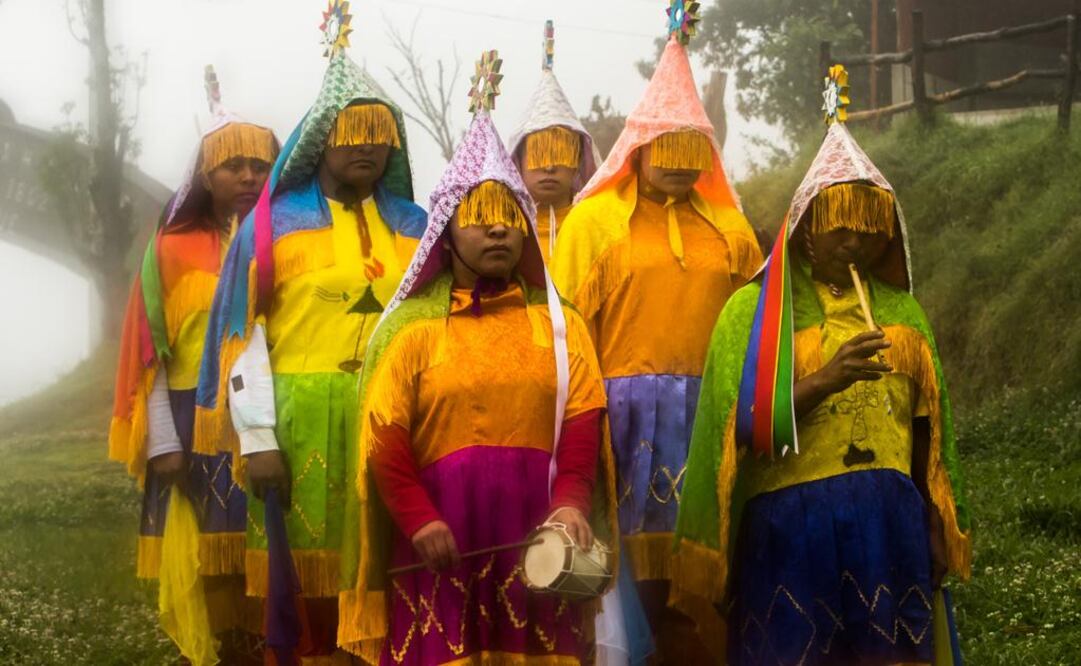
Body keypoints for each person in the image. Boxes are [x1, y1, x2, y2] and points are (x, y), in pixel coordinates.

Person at [672, 67, 972, 664]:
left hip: (890, 526)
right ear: (805, 226)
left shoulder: (903, 314)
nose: (854, 242)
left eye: (868, 227)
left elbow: (926, 433)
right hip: (790, 528)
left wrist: (934, 525)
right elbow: (740, 431)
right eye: (839, 224)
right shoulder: (751, 313)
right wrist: (825, 379)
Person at [336, 52, 618, 665]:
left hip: (536, 540)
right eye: (479, 221)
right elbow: (385, 439)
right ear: (446, 233)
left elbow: (582, 422)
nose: (498, 234)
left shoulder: (560, 326)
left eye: (508, 221)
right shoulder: (410, 331)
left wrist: (571, 499)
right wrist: (416, 517)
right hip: (439, 542)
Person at [193, 4, 427, 659]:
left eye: (377, 134)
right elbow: (243, 338)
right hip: (299, 420)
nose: (365, 146)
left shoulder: (416, 224)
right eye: (349, 133)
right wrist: (257, 436)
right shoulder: (271, 226)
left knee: (397, 565)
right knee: (310, 577)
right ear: (319, 140)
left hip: (398, 419)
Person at [550, 13, 762, 658]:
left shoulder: (731, 230)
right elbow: (566, 330)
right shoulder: (591, 224)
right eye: (664, 149)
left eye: (690, 150)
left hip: (708, 415)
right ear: (636, 148)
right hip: (618, 416)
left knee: (707, 562)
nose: (677, 164)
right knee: (623, 564)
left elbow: (751, 332)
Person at [109, 65, 277, 662]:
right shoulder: (169, 249)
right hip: (191, 420)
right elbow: (151, 351)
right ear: (206, 172)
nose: (249, 176)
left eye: (260, 165)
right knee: (214, 561)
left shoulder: (281, 237)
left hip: (273, 421)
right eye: (235, 165)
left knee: (268, 554)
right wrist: (161, 441)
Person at [507, 20, 602, 264]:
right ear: (518, 161)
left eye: (560, 154)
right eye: (539, 154)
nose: (549, 167)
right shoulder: (505, 227)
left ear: (579, 161)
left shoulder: (596, 225)